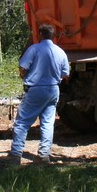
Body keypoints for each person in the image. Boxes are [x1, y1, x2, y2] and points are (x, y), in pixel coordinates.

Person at [7, 23, 69, 165]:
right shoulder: (60, 52)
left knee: (22, 122)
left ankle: (15, 155)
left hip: (36, 89)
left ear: (40, 34)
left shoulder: (34, 49)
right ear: (53, 36)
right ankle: (44, 155)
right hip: (53, 90)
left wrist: (24, 75)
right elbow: (65, 74)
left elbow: (23, 67)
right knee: (47, 123)